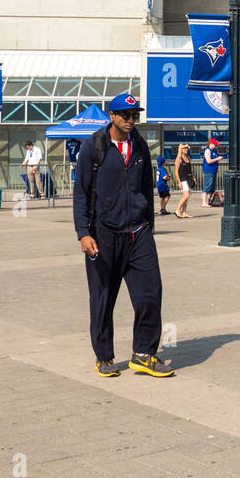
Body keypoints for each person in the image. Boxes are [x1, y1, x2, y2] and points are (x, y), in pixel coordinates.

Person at [73, 93, 173, 377]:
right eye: (125, 115)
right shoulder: (94, 147)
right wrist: (83, 233)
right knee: (103, 297)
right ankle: (104, 356)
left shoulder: (139, 145)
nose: (131, 120)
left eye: (134, 115)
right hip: (103, 233)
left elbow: (144, 189)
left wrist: (149, 227)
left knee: (150, 292)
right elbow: (80, 194)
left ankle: (143, 353)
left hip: (138, 232)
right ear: (112, 116)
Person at [172, 143, 193, 218]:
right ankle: (177, 210)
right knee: (186, 195)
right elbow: (176, 171)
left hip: (188, 179)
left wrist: (193, 178)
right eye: (184, 148)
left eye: (187, 148)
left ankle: (184, 212)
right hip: (182, 179)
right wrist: (179, 182)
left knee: (186, 197)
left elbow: (190, 170)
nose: (186, 149)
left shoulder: (188, 158)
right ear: (181, 149)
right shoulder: (178, 159)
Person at [201, 138, 224, 207]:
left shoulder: (213, 151)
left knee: (212, 187)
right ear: (211, 143)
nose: (216, 146)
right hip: (208, 171)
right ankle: (204, 202)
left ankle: (210, 201)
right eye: (215, 145)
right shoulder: (207, 150)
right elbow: (208, 161)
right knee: (207, 186)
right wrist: (218, 159)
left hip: (213, 171)